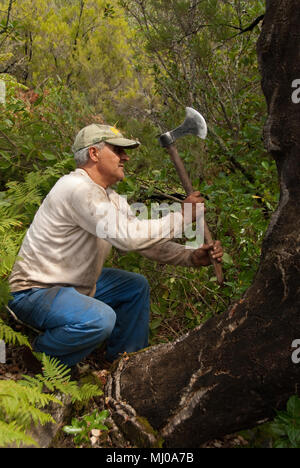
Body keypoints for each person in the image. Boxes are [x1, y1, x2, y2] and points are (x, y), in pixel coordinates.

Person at [8, 124, 223, 369]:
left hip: (71, 288)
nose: (126, 157)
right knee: (100, 319)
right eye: (118, 151)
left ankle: (124, 365)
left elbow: (143, 243)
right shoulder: (76, 189)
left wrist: (191, 257)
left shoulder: (110, 198)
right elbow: (128, 237)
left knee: (135, 286)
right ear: (94, 153)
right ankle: (40, 359)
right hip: (34, 292)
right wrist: (183, 217)